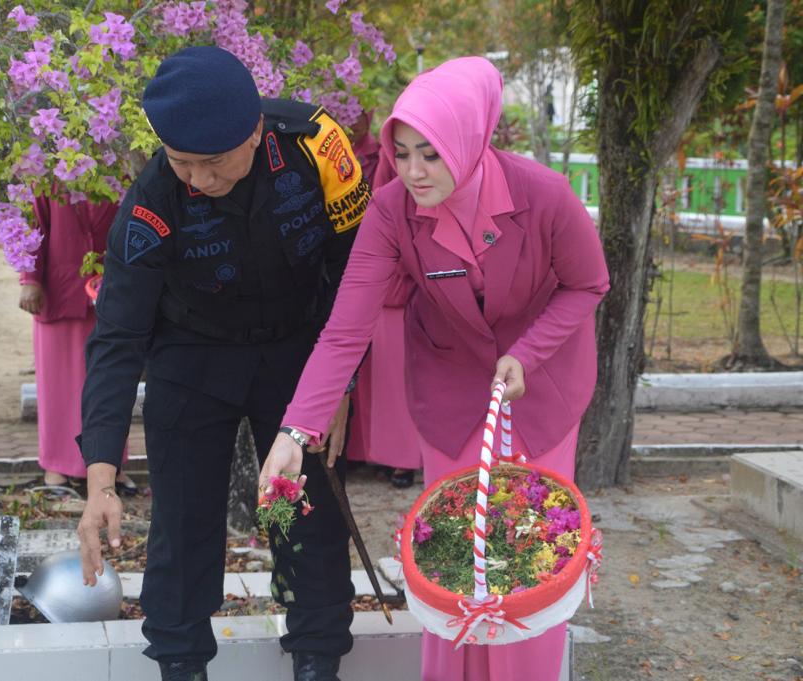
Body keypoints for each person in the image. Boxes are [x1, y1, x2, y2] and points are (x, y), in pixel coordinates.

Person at [260, 56, 610, 681]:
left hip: (542, 388)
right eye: (402, 152)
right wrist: (294, 432)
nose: (413, 171)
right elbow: (346, 329)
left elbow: (589, 284)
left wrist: (527, 352)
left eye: (430, 153)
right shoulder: (393, 210)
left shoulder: (544, 195)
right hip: (449, 394)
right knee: (451, 556)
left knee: (528, 550)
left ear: (470, 140)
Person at [76, 46, 372, 681]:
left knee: (305, 513)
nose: (196, 180)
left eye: (212, 164)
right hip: (192, 355)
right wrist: (100, 478)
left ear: (257, 130)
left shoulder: (317, 145)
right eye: (181, 161)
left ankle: (318, 658)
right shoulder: (154, 199)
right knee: (183, 524)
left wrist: (336, 386)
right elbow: (118, 336)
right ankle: (181, 663)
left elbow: (356, 272)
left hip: (301, 352)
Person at [19, 196, 133, 494]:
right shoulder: (44, 166)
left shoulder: (122, 160)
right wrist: (30, 279)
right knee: (58, 385)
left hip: (112, 290)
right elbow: (33, 222)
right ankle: (56, 466)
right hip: (60, 287)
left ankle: (112, 467)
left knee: (111, 381)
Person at [343, 110, 422, 489]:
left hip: (398, 280)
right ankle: (367, 452)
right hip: (364, 274)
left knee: (395, 376)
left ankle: (402, 460)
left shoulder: (389, 156)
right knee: (367, 375)